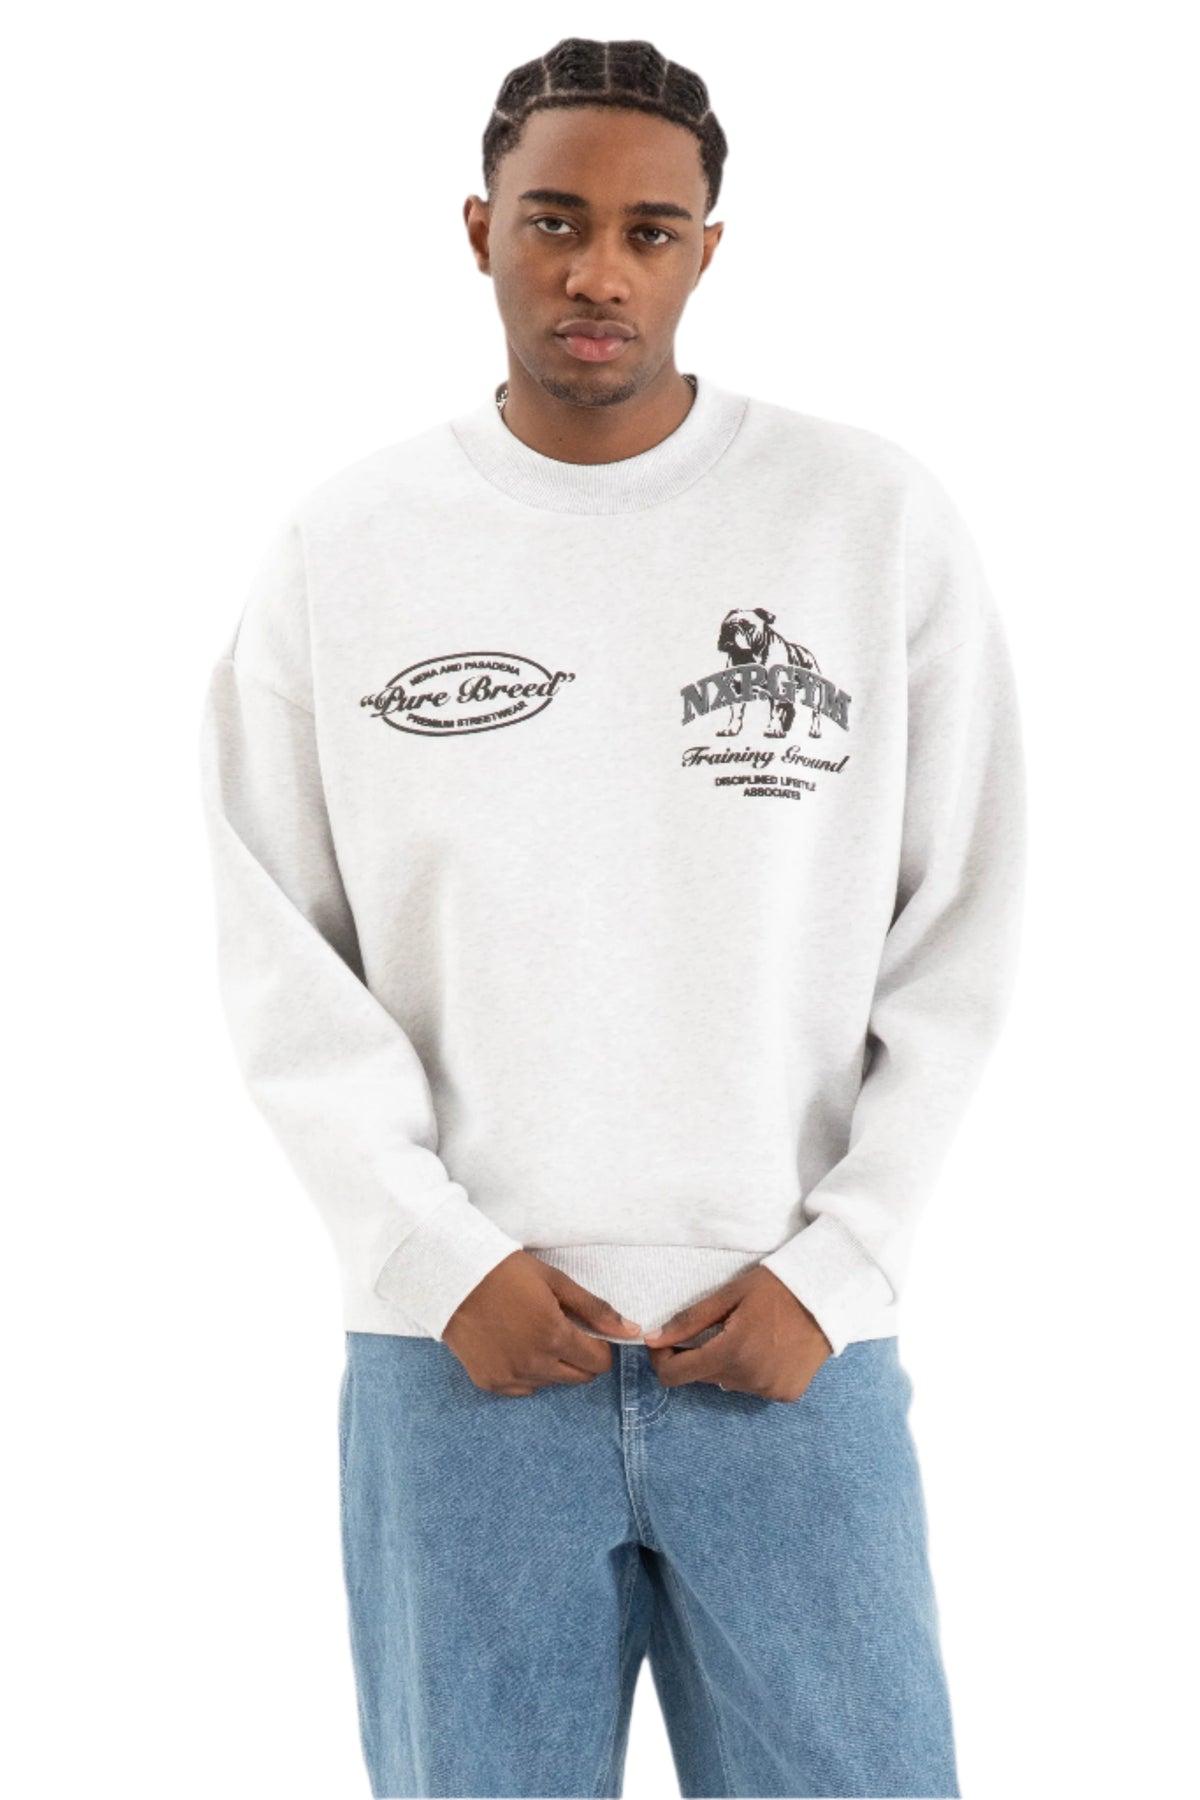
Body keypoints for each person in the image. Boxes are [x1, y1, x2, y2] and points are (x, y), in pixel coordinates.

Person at [198, 35, 1026, 1800]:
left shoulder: (864, 522)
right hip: (459, 1371)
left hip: (789, 1354)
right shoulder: (351, 547)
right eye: (556, 221)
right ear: (480, 229)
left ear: (706, 252)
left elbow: (962, 926)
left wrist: (840, 1266)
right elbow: (279, 946)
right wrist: (438, 1262)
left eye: (650, 233)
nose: (598, 272)